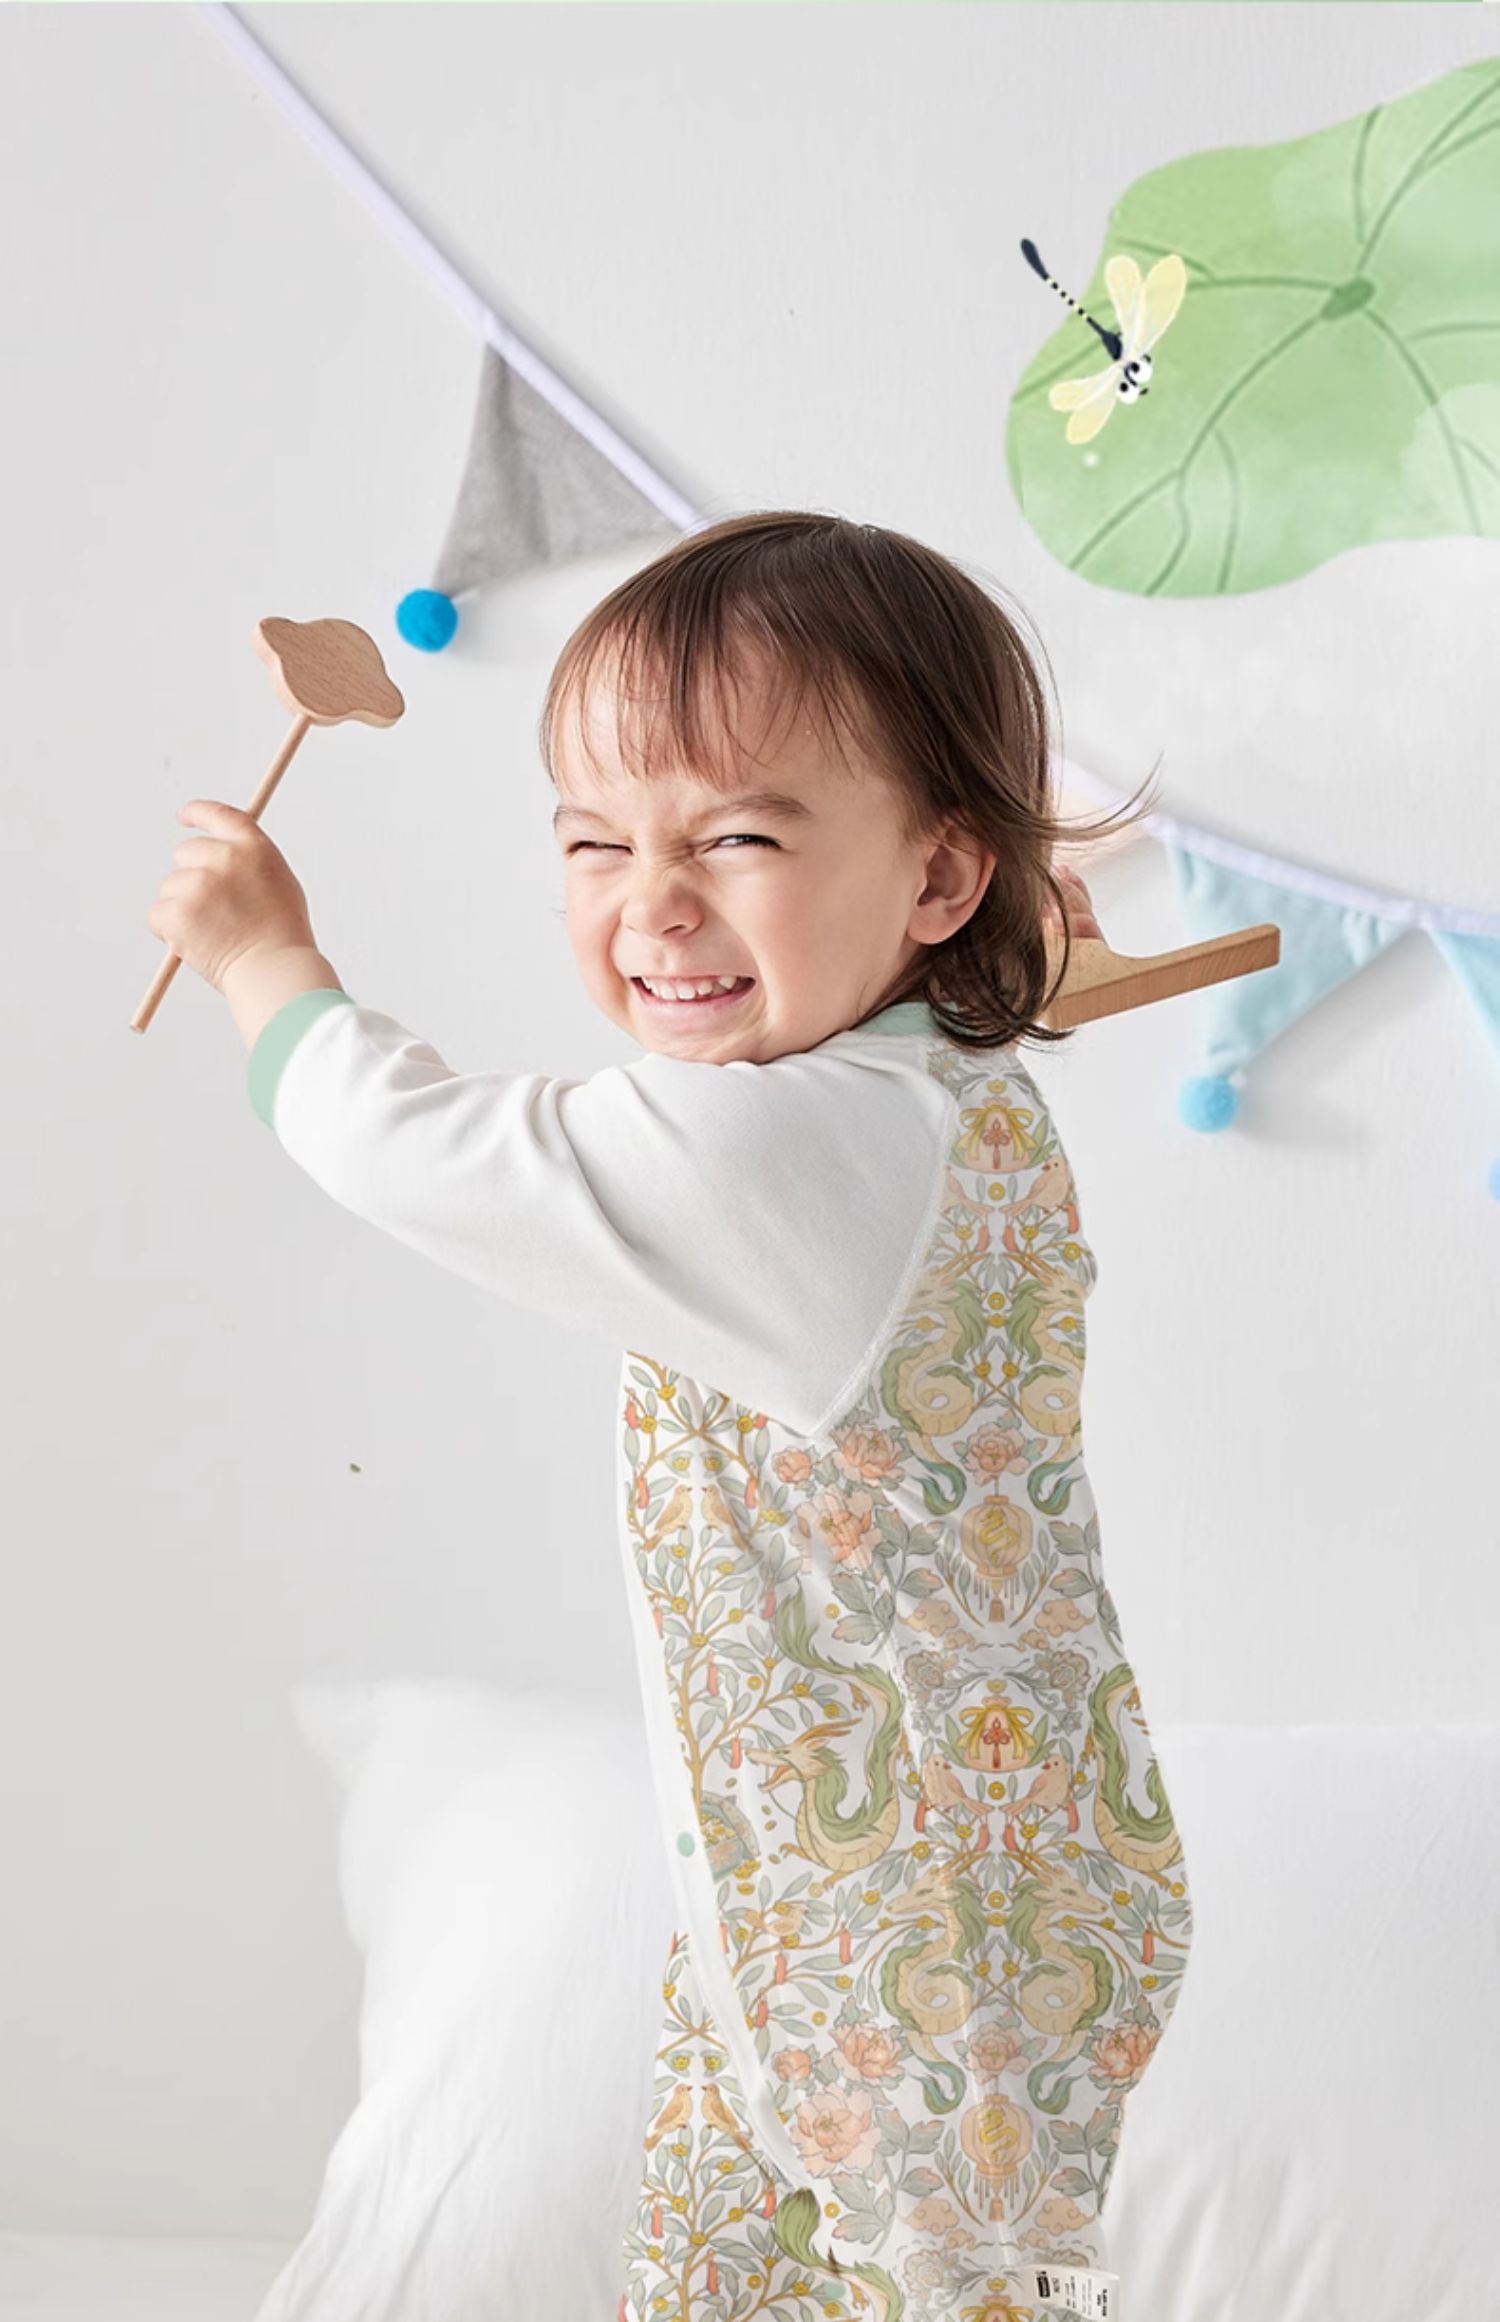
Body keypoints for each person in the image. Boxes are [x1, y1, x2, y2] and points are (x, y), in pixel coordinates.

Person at [148, 512, 1194, 2322]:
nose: (653, 903)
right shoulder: (921, 1086)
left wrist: (264, 965)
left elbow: (423, 1148)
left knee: (909, 2280)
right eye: (593, 840)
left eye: (739, 839)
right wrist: (1011, 925)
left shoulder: (785, 1149)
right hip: (903, 1886)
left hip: (907, 1932)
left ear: (939, 878)